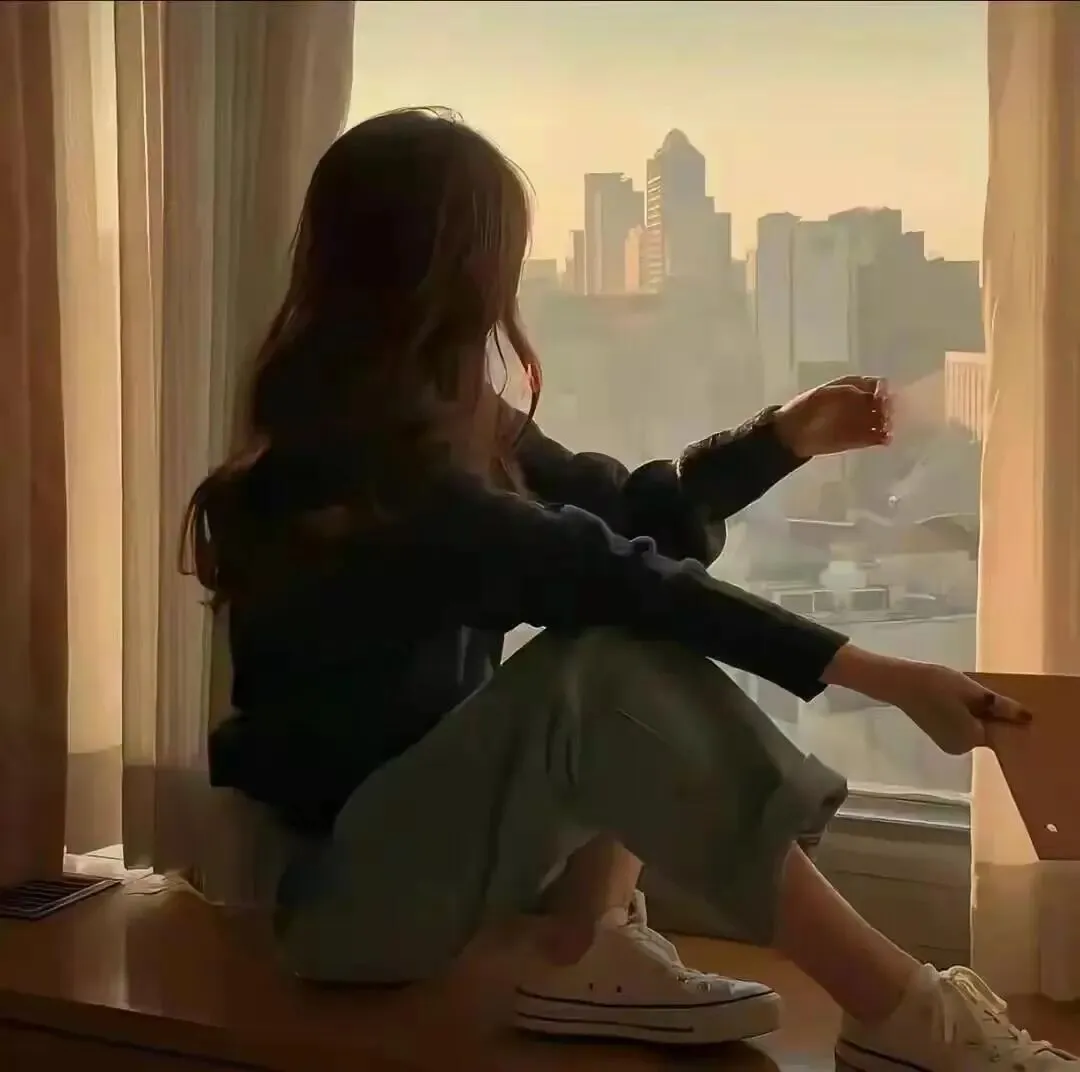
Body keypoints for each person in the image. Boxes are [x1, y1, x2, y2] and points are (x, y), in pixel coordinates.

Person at [186, 109, 1073, 1069]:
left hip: (412, 864)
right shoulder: (360, 475)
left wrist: (782, 439)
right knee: (605, 666)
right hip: (333, 902)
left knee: (621, 636)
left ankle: (588, 946)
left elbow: (620, 518)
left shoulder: (447, 425)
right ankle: (904, 1015)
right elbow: (604, 569)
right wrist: (886, 677)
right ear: (451, 273)